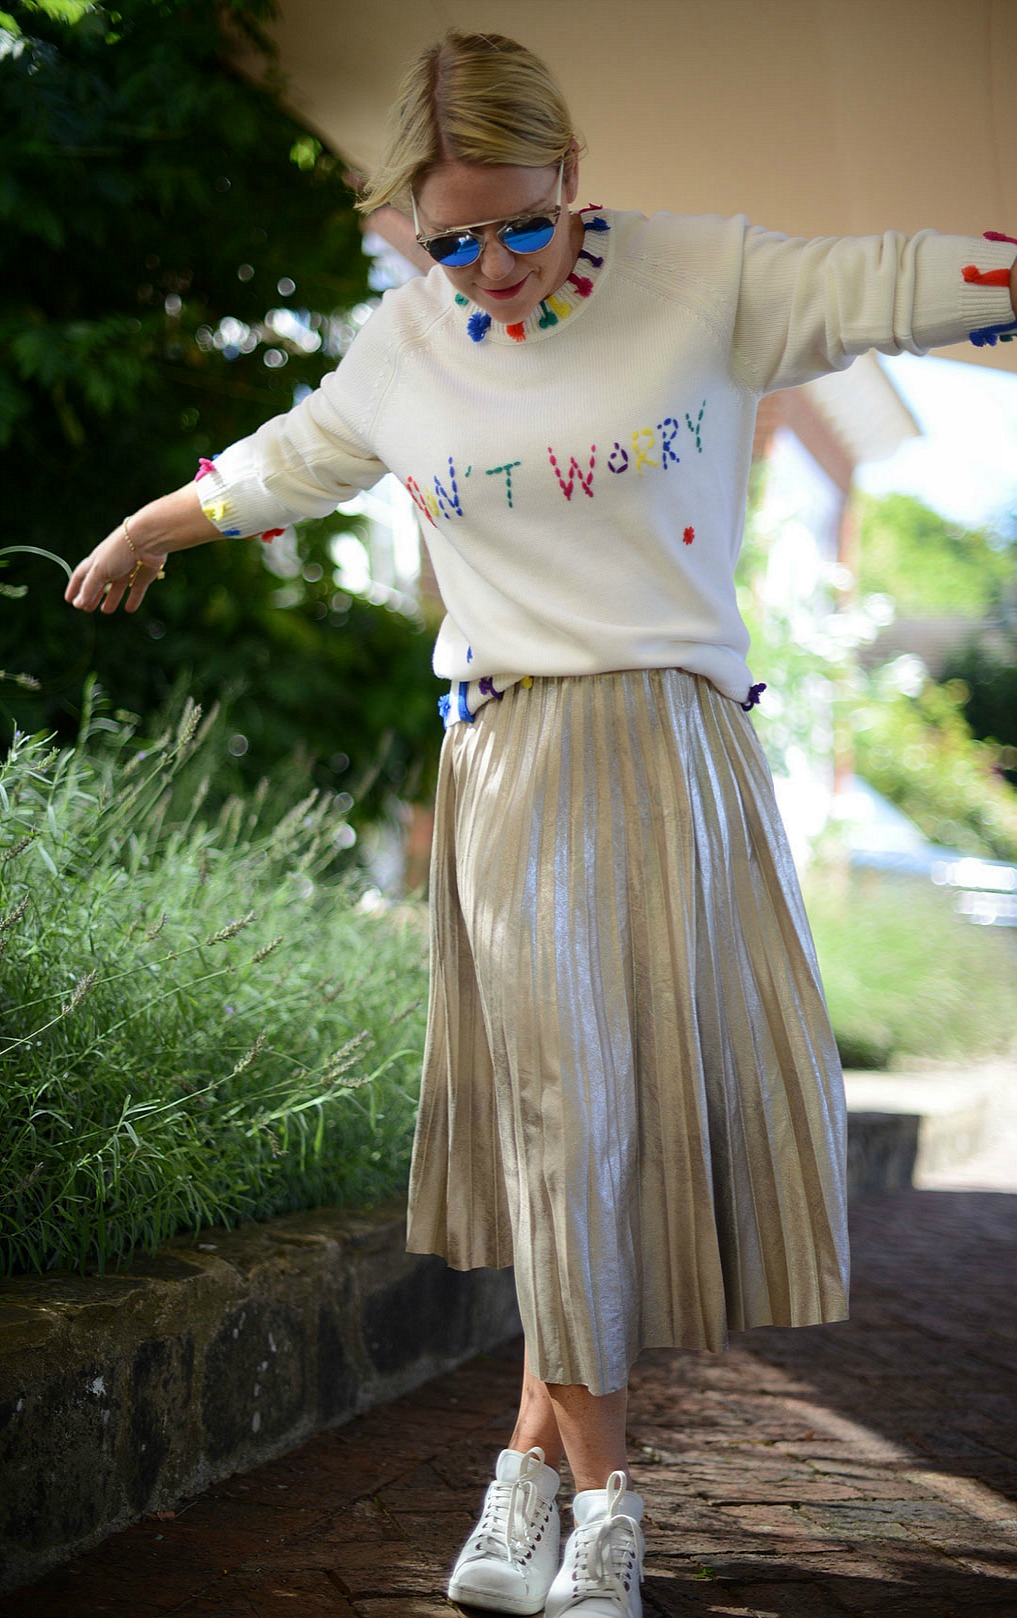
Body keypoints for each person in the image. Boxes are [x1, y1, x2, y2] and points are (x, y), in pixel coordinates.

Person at [65, 29, 1017, 1618]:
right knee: (562, 1122)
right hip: (514, 762)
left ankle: (517, 1474)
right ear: (414, 225)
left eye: (521, 222)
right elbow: (285, 464)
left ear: (573, 180)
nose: (492, 264)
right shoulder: (402, 350)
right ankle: (603, 1503)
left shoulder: (702, 276)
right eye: (454, 238)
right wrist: (142, 531)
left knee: (620, 1134)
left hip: (685, 759)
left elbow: (899, 276)